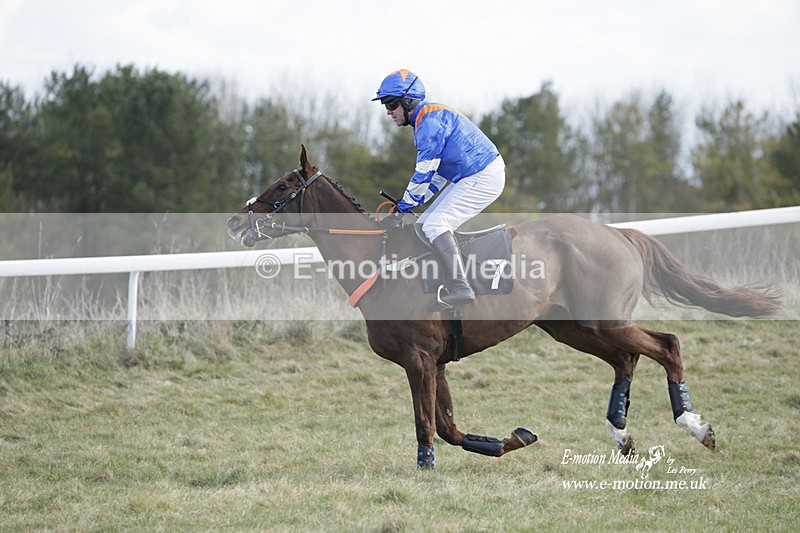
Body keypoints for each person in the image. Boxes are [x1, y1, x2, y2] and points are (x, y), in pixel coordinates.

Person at [372, 69, 506, 306]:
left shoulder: (429, 123)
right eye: (385, 105)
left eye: (391, 104)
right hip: (469, 175)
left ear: (408, 100)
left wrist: (404, 208)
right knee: (424, 226)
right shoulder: (425, 120)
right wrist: (411, 204)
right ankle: (442, 284)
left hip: (483, 174)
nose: (388, 112)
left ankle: (461, 287)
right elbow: (436, 177)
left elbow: (423, 172)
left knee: (436, 224)